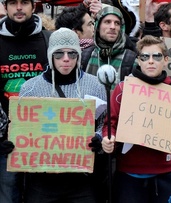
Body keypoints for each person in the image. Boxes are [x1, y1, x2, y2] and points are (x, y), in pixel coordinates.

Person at [17, 27, 107, 203]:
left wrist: (98, 138)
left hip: (81, 178)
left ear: (78, 55)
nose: (66, 59)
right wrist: (14, 144)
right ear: (50, 55)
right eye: (59, 54)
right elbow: (21, 127)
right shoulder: (30, 88)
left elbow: (104, 123)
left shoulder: (95, 85)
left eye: (72, 54)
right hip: (43, 180)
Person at [101, 35, 171, 203]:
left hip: (167, 176)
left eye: (156, 56)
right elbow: (109, 124)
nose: (151, 61)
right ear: (138, 61)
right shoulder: (122, 90)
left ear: (166, 60)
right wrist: (109, 138)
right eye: (145, 56)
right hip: (129, 176)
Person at [0, 0, 52, 202]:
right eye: (13, 2)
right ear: (5, 6)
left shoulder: (48, 40)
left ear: (33, 6)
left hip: (45, 139)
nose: (19, 7)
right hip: (6, 142)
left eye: (24, 2)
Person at [85, 6, 138, 87]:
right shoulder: (85, 56)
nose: (113, 27)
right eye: (107, 22)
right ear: (98, 26)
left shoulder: (131, 60)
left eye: (117, 23)